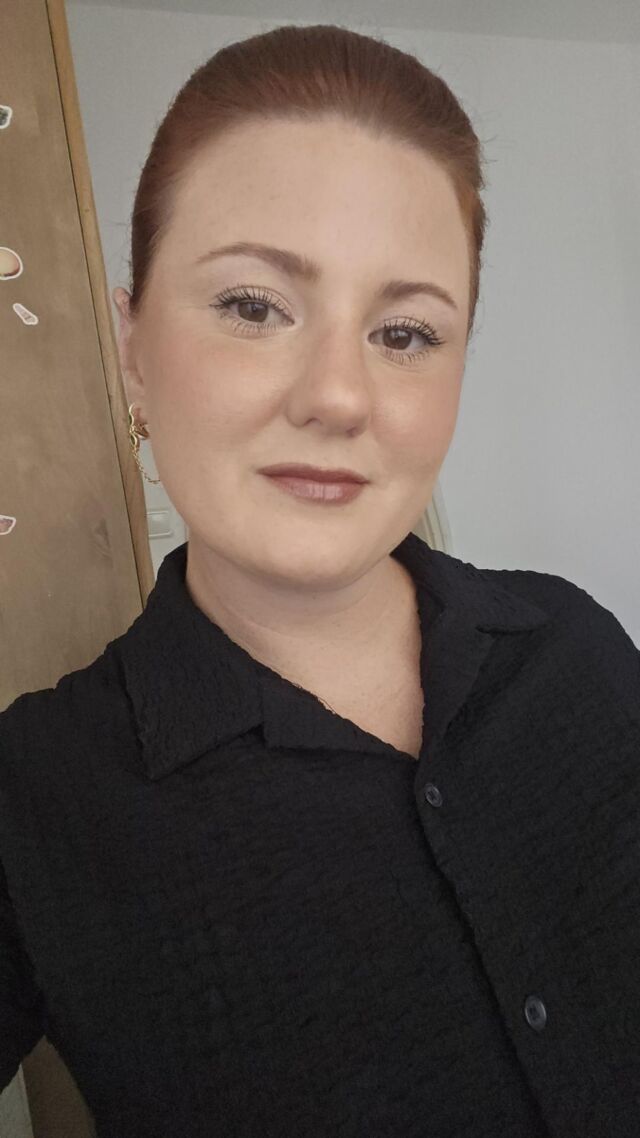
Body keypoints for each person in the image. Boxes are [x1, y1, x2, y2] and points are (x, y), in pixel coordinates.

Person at [1, 22, 639, 1138]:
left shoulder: (575, 648)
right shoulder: (38, 794)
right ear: (132, 344)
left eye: (406, 332)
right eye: (253, 306)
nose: (339, 396)